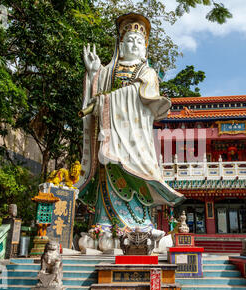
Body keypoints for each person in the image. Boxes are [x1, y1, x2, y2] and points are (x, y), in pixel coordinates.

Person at [76, 13, 185, 234]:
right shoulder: (108, 70)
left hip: (135, 138)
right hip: (111, 135)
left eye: (138, 41)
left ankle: (141, 223)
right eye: (129, 40)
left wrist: (108, 100)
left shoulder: (147, 71)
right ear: (121, 45)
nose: (134, 45)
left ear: (144, 48)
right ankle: (104, 223)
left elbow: (145, 94)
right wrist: (93, 72)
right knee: (109, 168)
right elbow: (95, 96)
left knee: (137, 176)